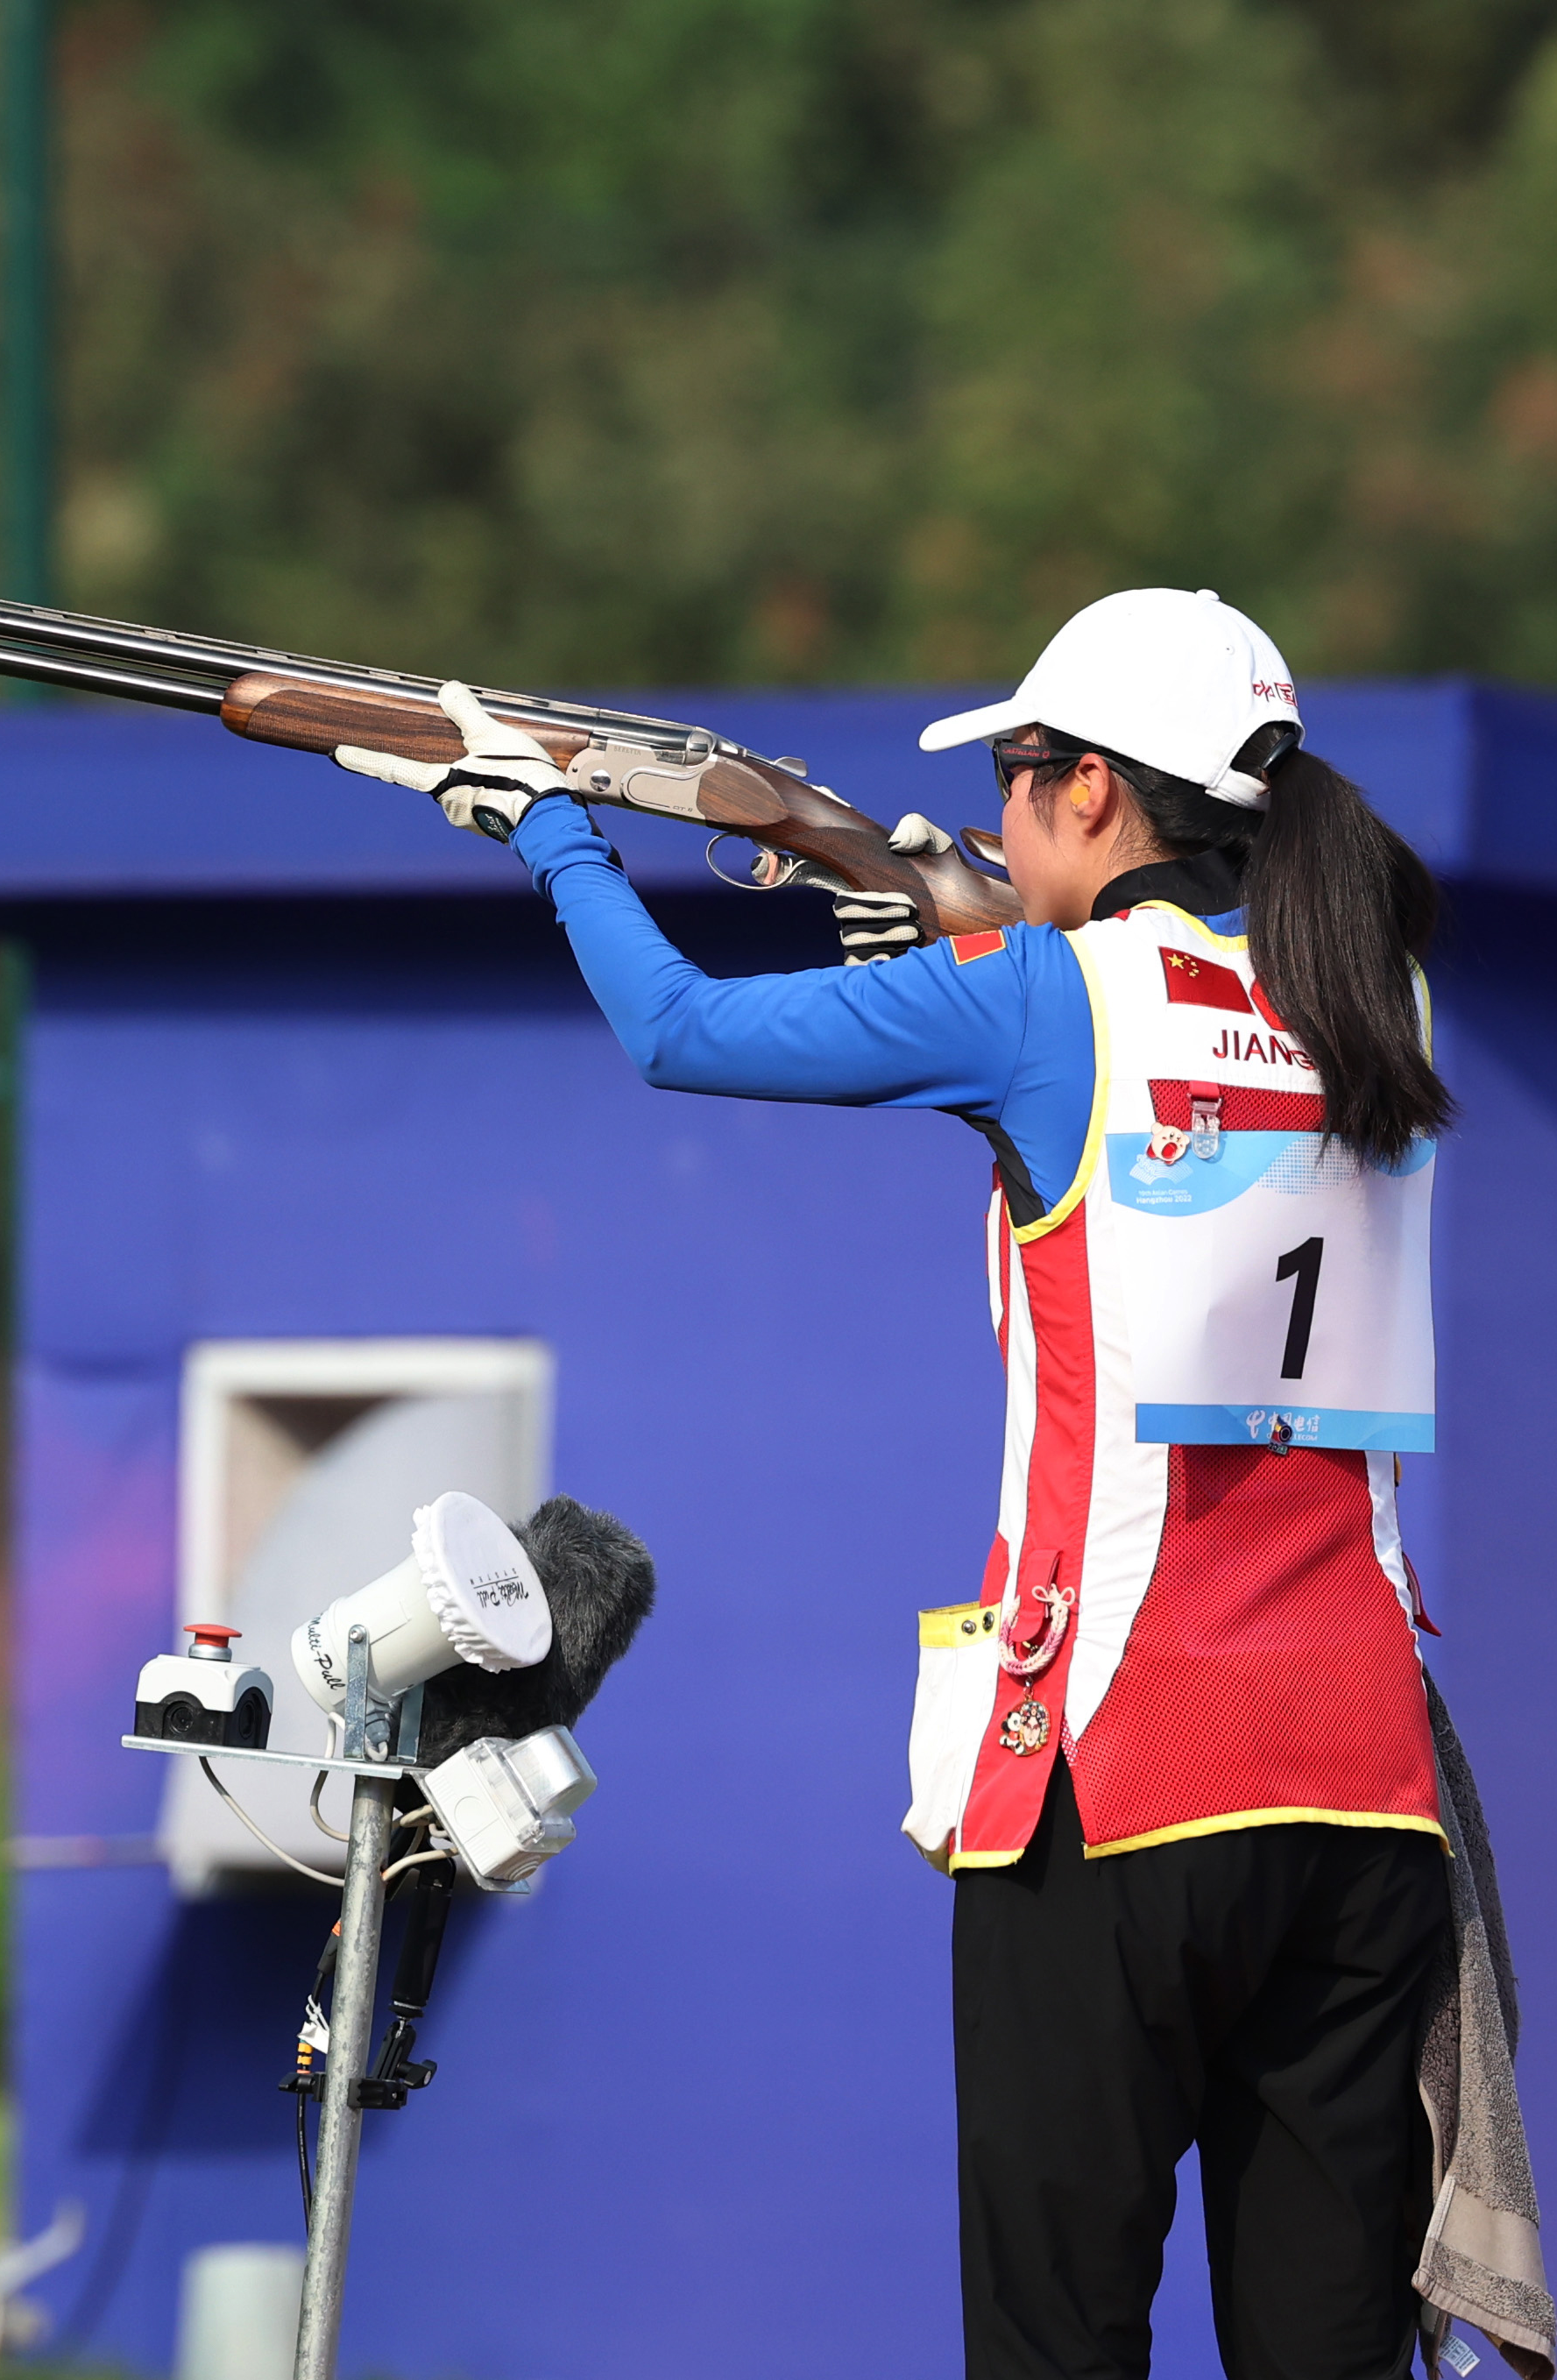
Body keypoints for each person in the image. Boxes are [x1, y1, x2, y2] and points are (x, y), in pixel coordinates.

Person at [342, 591, 1456, 2380]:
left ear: (1093, 791)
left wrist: (548, 821)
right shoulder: (1369, 994)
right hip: (1365, 1785)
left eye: (1020, 778)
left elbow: (678, 1027)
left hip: (1119, 1775)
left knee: (1053, 2341)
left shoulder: (1039, 995)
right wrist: (952, 915)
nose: (1000, 819)